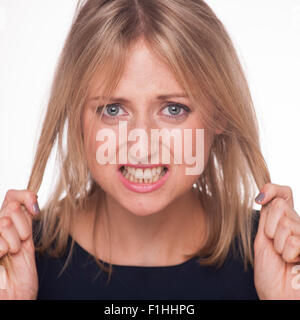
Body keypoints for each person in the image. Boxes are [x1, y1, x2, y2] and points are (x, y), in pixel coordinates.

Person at [0, 0, 299, 300]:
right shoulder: (23, 260)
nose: (142, 147)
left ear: (220, 113)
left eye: (173, 109)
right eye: (113, 110)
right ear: (76, 115)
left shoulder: (272, 257)